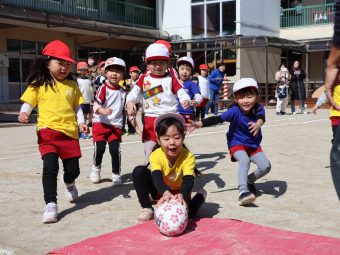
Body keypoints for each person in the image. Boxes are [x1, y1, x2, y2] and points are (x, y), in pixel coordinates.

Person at [18, 40, 89, 223]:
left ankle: (69, 182)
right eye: (60, 63)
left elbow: (77, 108)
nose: (64, 68)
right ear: (47, 63)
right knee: (50, 168)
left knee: (73, 170)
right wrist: (24, 113)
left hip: (70, 134)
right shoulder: (39, 83)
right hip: (47, 133)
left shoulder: (72, 85)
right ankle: (50, 204)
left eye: (67, 64)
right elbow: (29, 102)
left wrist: (81, 123)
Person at [187, 78, 271, 206]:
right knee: (244, 160)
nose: (246, 101)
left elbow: (261, 118)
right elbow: (218, 119)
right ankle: (243, 191)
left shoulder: (258, 108)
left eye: (250, 96)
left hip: (253, 145)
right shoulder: (234, 111)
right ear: (236, 99)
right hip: (236, 143)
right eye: (241, 97)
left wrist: (258, 124)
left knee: (266, 166)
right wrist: (199, 124)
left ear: (256, 96)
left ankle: (249, 180)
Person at [132, 113, 206, 222]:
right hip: (161, 190)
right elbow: (156, 177)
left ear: (183, 136)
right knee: (139, 171)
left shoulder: (188, 156)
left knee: (187, 216)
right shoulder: (155, 155)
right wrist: (165, 192)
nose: (172, 143)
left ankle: (201, 196)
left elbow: (188, 180)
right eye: (166, 138)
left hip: (180, 192)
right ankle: (147, 207)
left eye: (177, 137)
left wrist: (182, 195)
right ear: (158, 139)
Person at [126, 42, 190, 163]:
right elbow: (134, 92)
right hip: (150, 119)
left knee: (171, 150)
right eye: (153, 63)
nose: (157, 66)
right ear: (147, 64)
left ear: (167, 63)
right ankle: (149, 173)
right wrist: (130, 102)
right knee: (150, 151)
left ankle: (173, 174)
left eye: (161, 62)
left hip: (169, 118)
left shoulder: (171, 76)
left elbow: (180, 90)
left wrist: (184, 99)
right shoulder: (144, 76)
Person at [90, 57, 126, 185]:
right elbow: (95, 105)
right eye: (111, 71)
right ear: (105, 73)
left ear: (122, 75)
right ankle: (96, 169)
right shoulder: (103, 88)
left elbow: (126, 107)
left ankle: (116, 174)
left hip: (115, 126)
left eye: (118, 71)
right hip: (100, 122)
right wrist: (102, 110)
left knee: (115, 150)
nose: (114, 74)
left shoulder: (123, 92)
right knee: (99, 148)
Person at [176, 56, 202, 123]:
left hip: (188, 113)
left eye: (188, 70)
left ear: (191, 72)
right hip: (175, 112)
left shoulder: (192, 84)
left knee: (185, 132)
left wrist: (196, 101)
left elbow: (198, 96)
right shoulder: (174, 82)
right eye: (182, 69)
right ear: (178, 70)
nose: (185, 72)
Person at [76, 61, 94, 138]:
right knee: (80, 117)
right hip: (80, 101)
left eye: (85, 69)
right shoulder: (77, 80)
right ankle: (79, 132)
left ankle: (83, 131)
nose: (83, 71)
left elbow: (91, 90)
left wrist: (92, 98)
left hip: (87, 101)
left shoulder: (89, 80)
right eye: (81, 69)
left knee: (85, 117)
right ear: (78, 70)